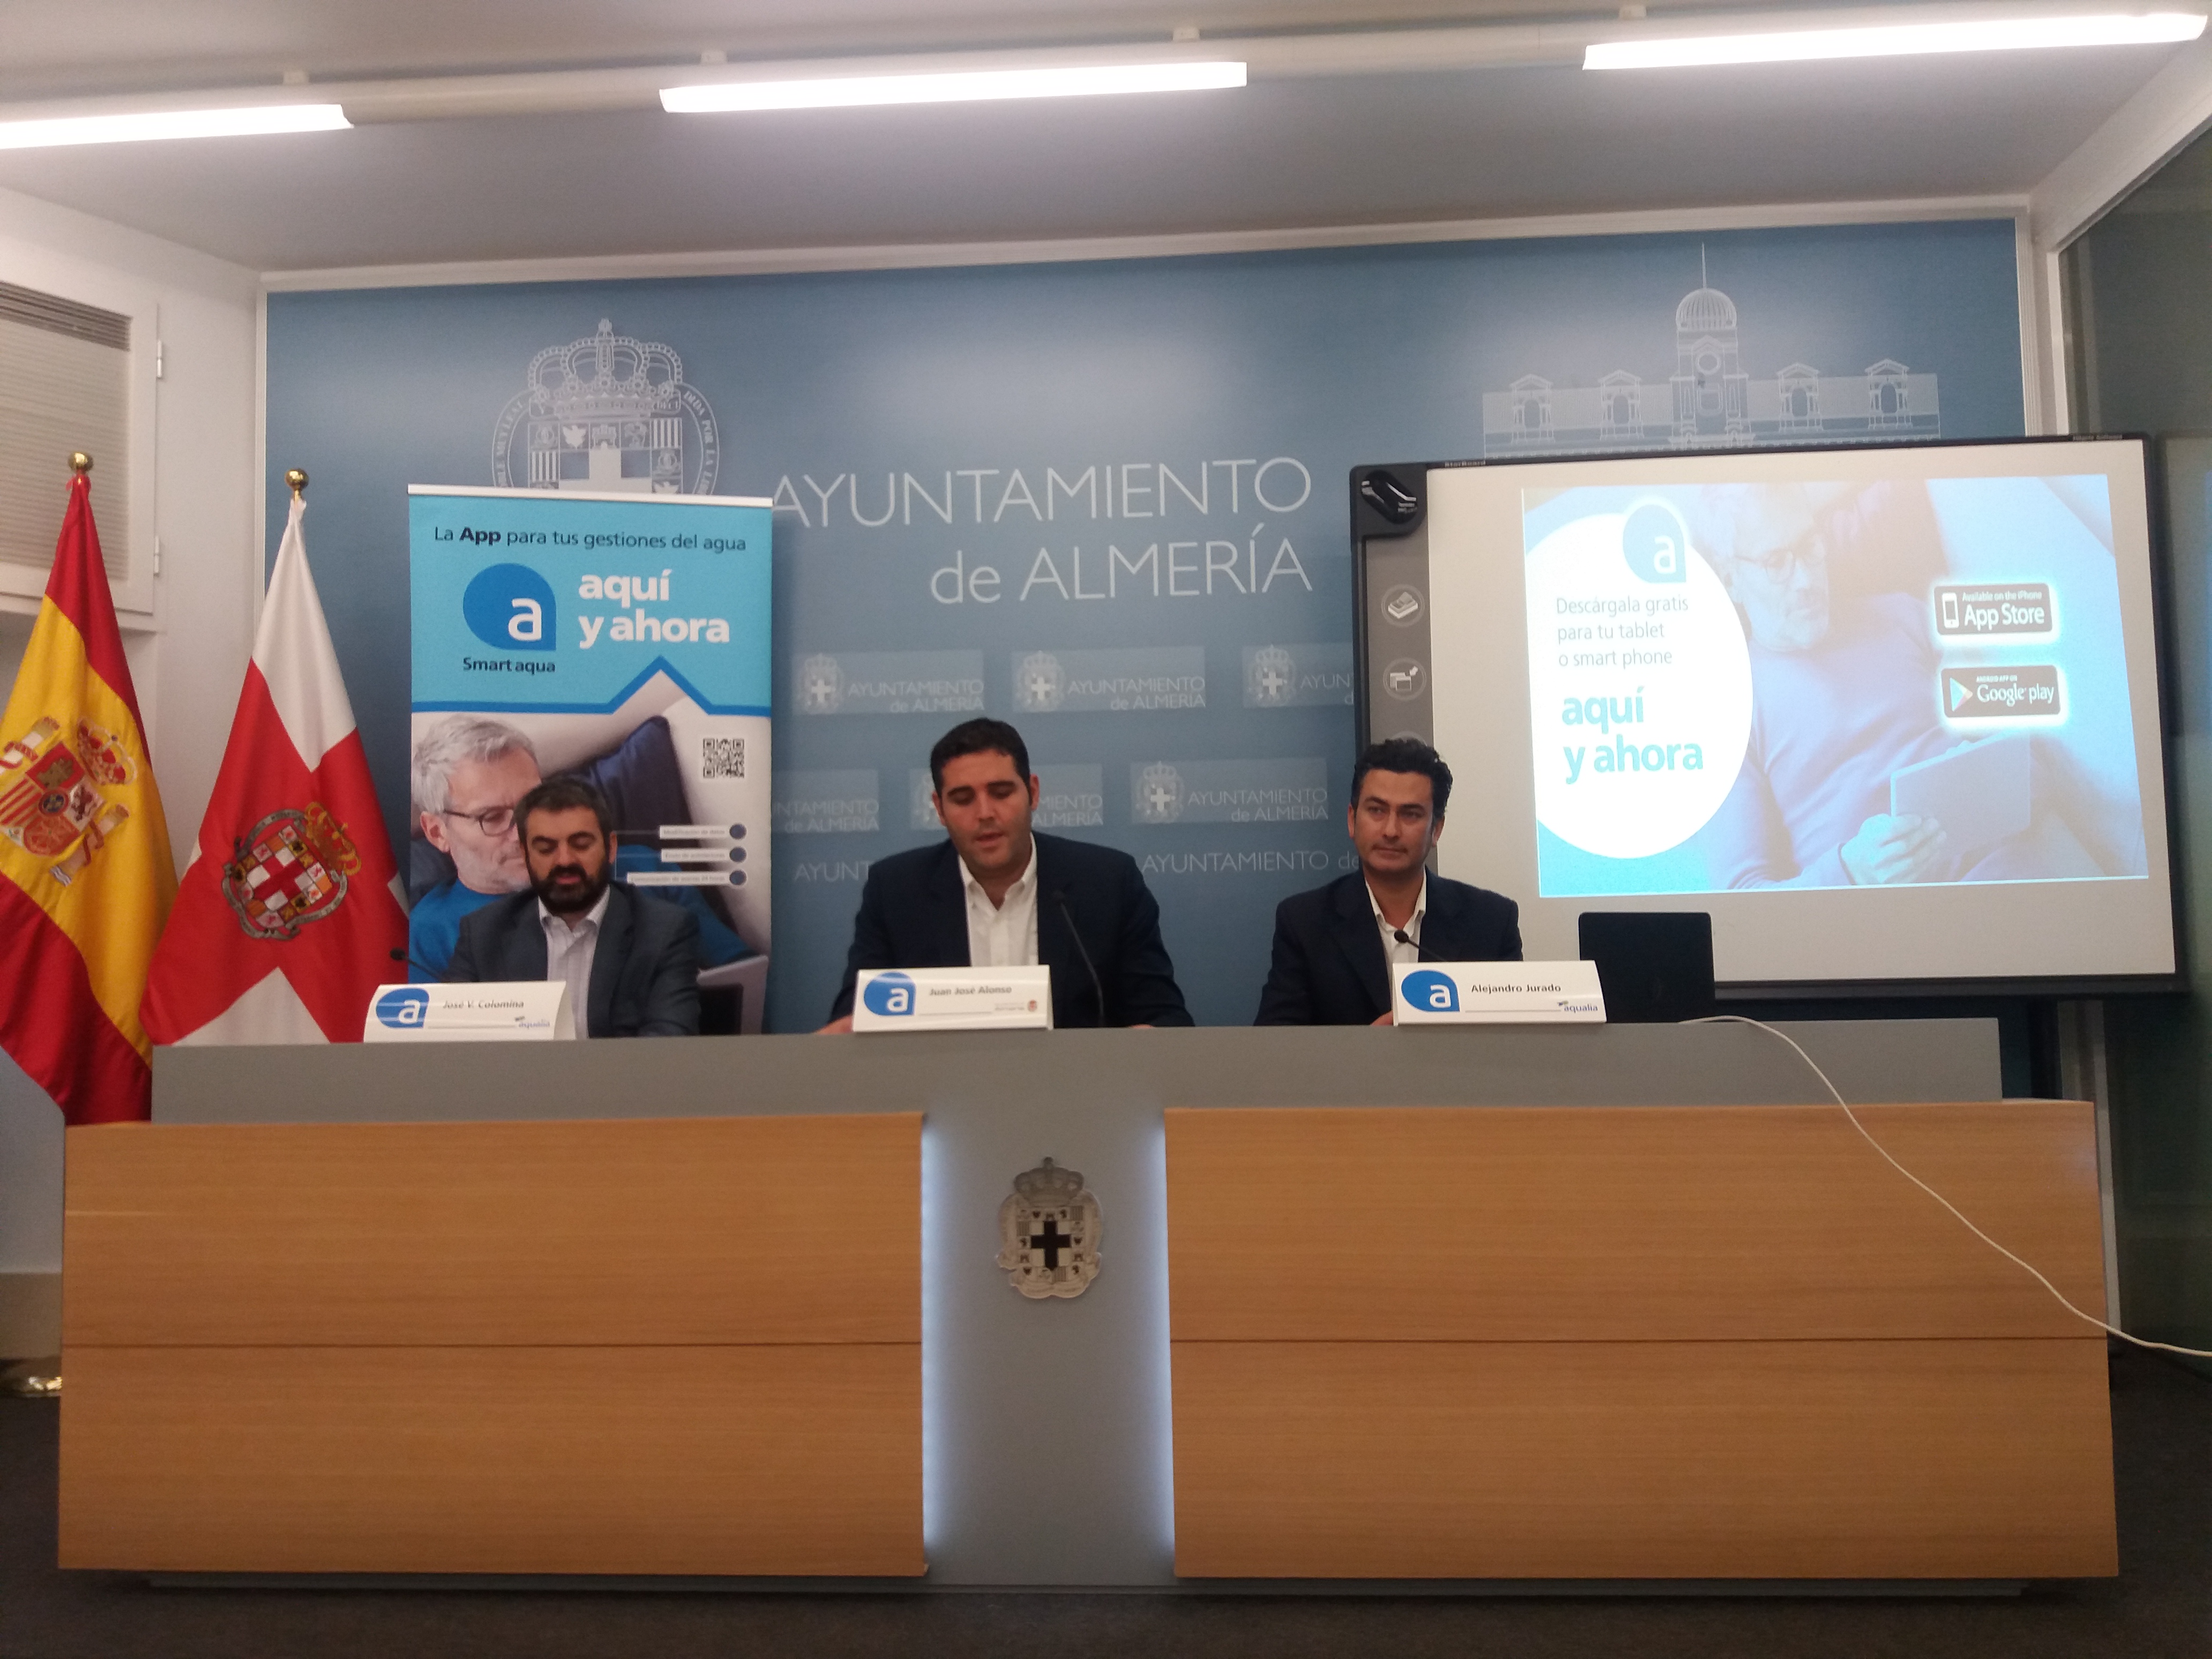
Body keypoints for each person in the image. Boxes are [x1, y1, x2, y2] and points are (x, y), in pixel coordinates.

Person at [1694, 482, 2097, 888]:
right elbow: (1743, 896)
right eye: (1776, 562)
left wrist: (1987, 787)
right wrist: (1851, 872)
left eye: (1810, 545)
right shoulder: (1728, 710)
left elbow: (2032, 764)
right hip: (1878, 915)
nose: (1805, 579)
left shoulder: (1905, 615)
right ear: (1730, 579)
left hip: (2006, 874)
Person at [823, 718, 1192, 1030]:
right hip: (942, 1089)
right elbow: (855, 1021)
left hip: (1078, 1090)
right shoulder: (895, 891)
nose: (985, 813)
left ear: (1033, 793)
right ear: (939, 808)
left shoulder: (1108, 883)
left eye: (1001, 793)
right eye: (963, 799)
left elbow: (1164, 1020)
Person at [1255, 737, 1520, 1025]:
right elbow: (1278, 1043)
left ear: (1436, 830)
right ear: (1352, 820)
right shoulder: (1304, 922)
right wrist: (1367, 1047)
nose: (1391, 831)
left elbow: (1516, 1040)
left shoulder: (1491, 922)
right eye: (1377, 811)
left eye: (1410, 814)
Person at [446, 776, 700, 1036]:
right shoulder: (483, 934)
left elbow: (668, 1043)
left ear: (611, 848)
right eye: (546, 848)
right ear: (525, 854)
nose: (565, 860)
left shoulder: (664, 932)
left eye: (581, 845)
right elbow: (452, 1038)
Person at [408, 715, 542, 980]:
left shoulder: (607, 883)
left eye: (535, 804)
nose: (523, 832)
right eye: (492, 818)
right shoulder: (430, 937)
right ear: (437, 833)